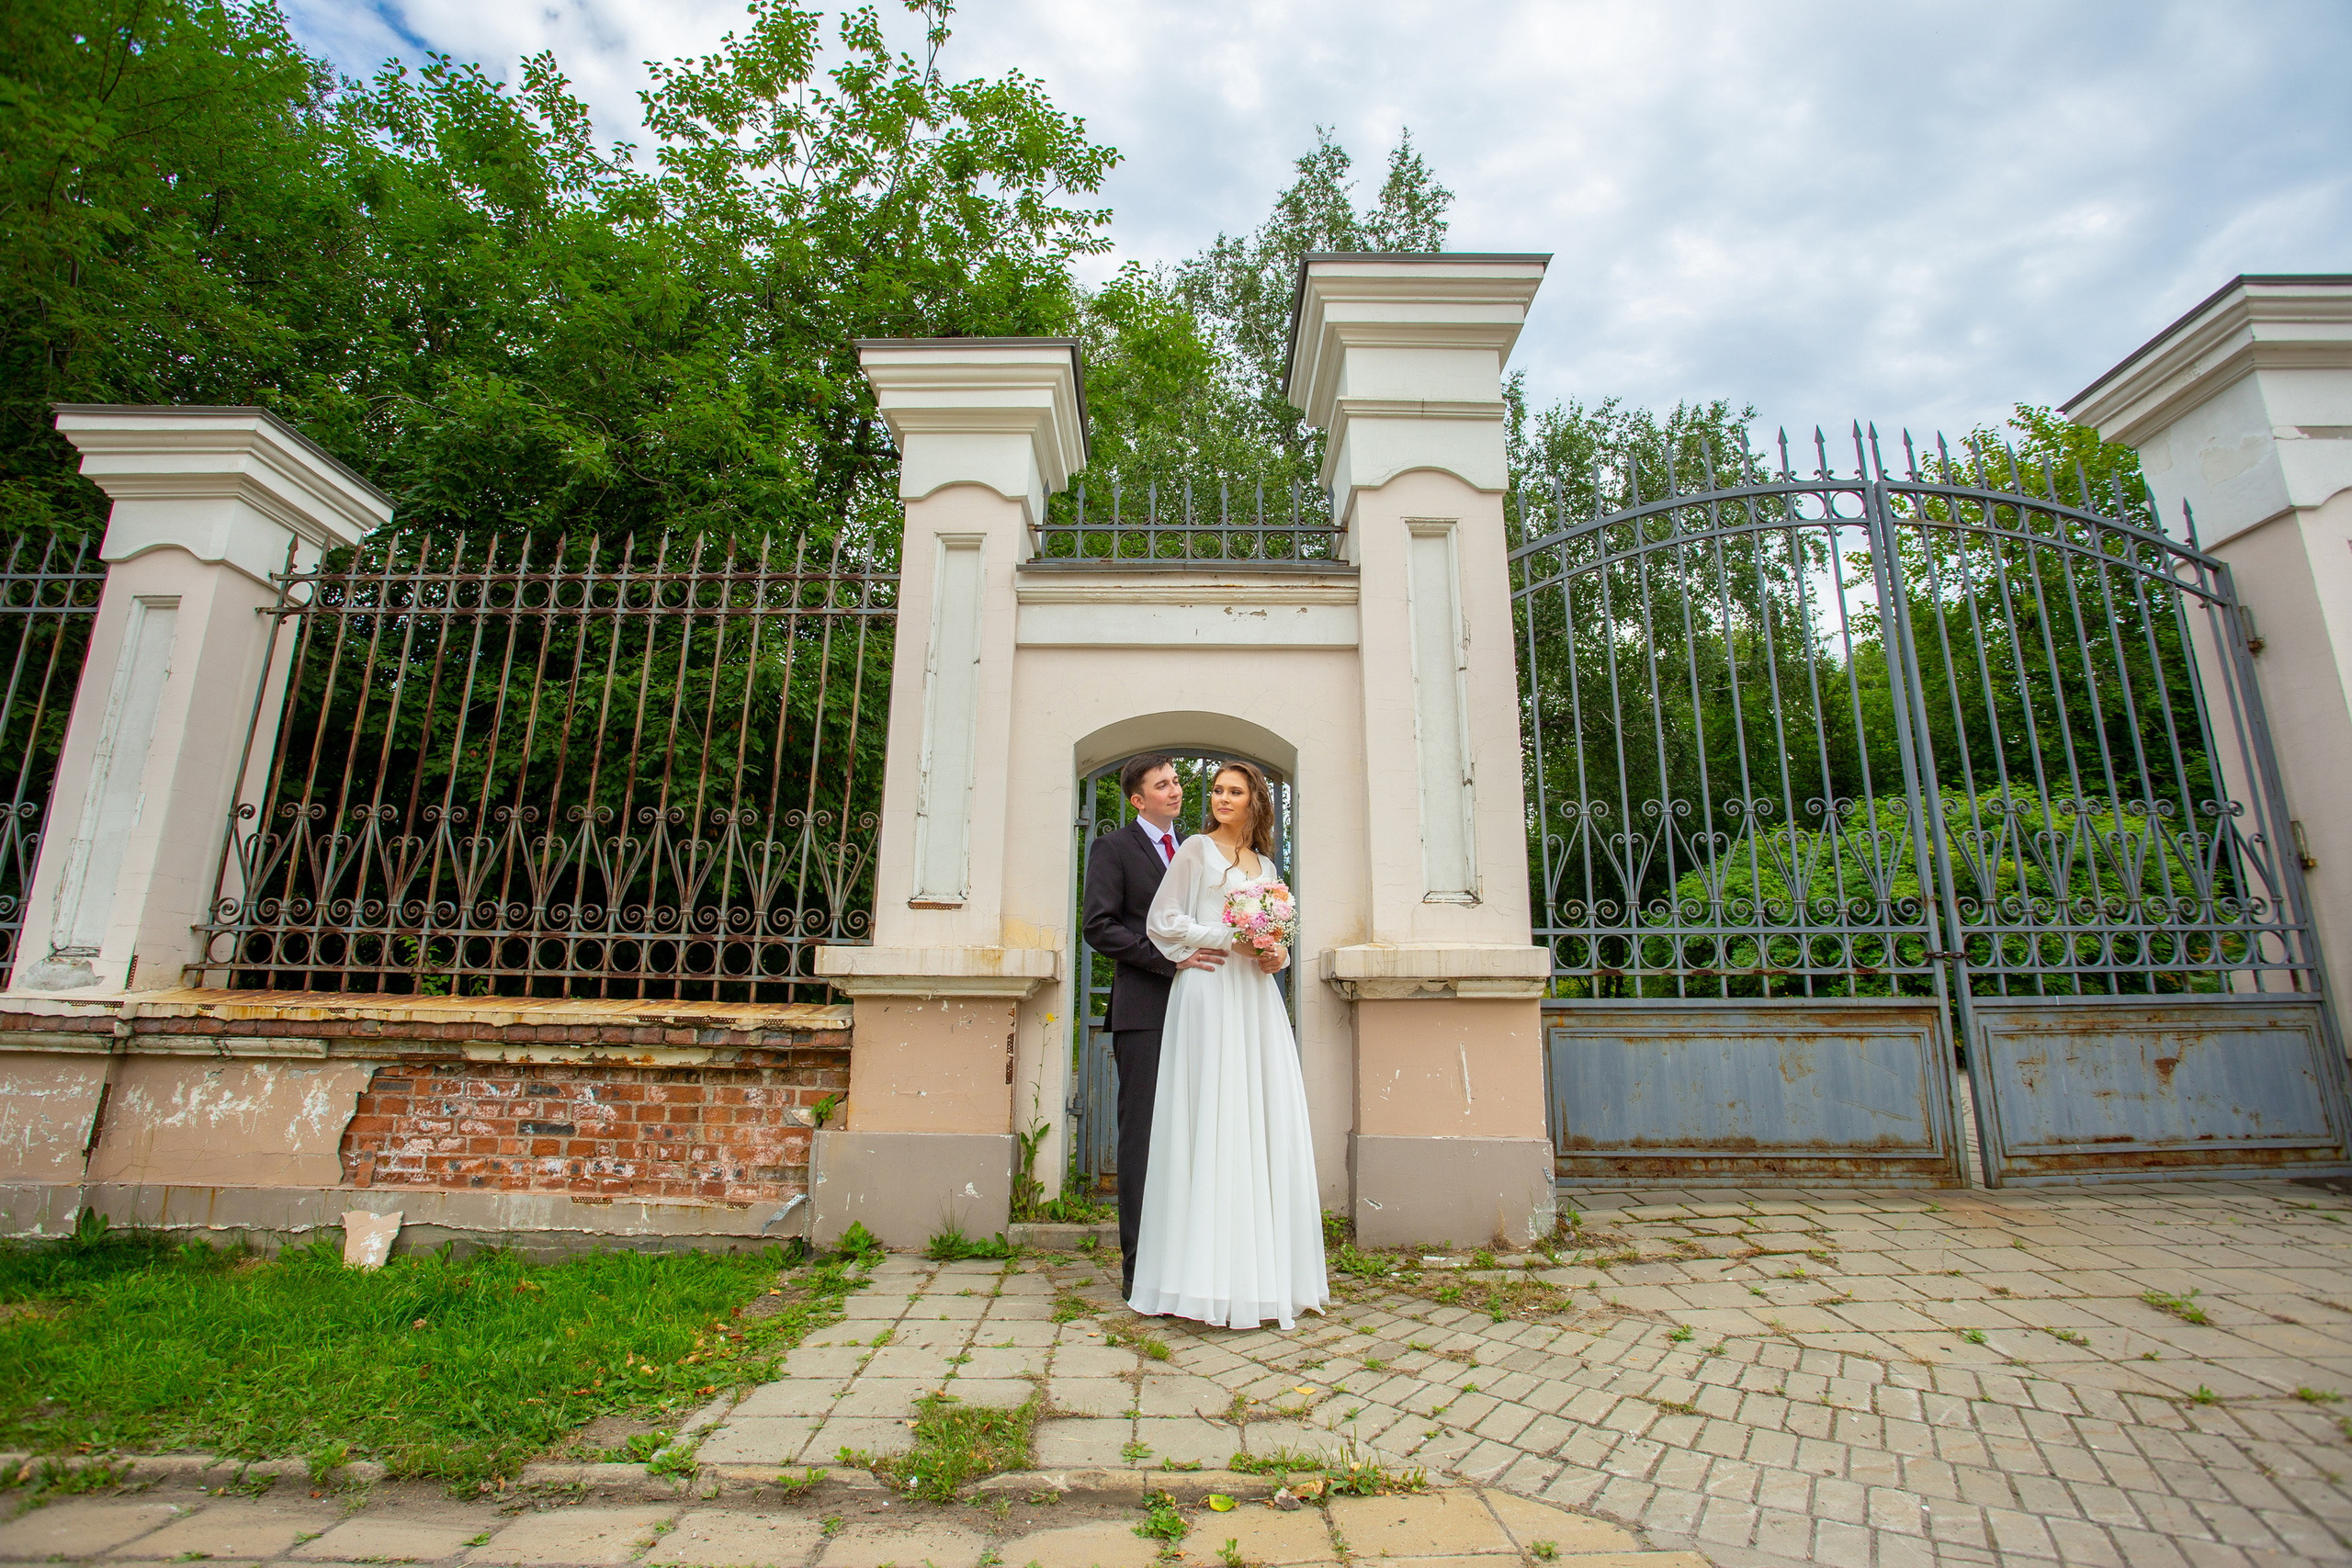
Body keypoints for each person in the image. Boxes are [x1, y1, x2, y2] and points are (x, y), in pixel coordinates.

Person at [1128, 760, 1329, 1330]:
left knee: (1256, 1117)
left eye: (1234, 791)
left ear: (1255, 803)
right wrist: (1228, 938)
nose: (1221, 798)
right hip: (1210, 992)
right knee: (1211, 1115)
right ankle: (1200, 1280)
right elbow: (1161, 922)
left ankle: (1260, 1279)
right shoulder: (1194, 849)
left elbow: (1276, 940)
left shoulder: (1265, 864)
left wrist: (1276, 954)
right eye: (1216, 790)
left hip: (1254, 998)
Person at [1080, 754, 1232, 1300]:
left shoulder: (1198, 850)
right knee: (1145, 1137)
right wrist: (1169, 961)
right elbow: (1098, 925)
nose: (1175, 791)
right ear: (1137, 799)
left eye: (1176, 782)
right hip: (1145, 1011)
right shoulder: (1113, 849)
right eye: (1162, 785)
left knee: (1199, 1128)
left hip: (1206, 1007)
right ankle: (1140, 1272)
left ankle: (1194, 1262)